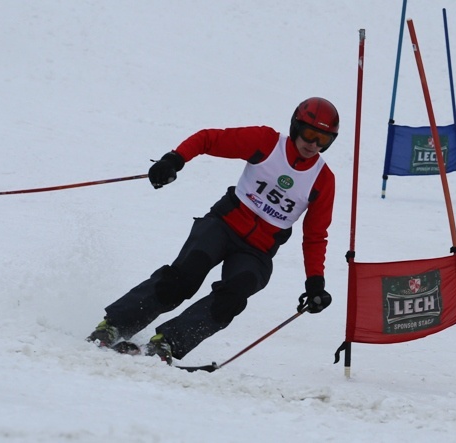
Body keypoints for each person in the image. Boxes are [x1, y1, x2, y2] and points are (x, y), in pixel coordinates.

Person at [87, 97, 338, 365]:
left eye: (323, 140)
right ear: (296, 126)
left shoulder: (323, 180)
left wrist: (315, 283)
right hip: (223, 224)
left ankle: (168, 342)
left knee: (233, 297)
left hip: (258, 250)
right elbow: (209, 139)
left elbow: (315, 236)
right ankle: (114, 325)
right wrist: (174, 159)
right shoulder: (266, 142)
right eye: (310, 134)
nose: (313, 144)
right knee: (183, 278)